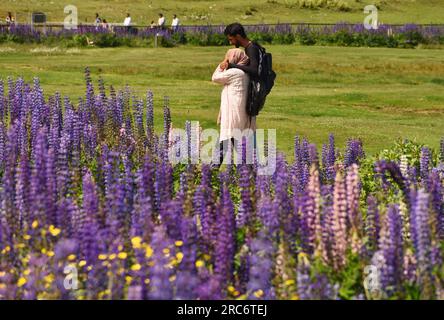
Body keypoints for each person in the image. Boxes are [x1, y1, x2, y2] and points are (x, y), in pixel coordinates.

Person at [212, 48, 256, 166]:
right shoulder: (245, 73)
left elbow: (215, 77)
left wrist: (221, 65)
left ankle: (211, 171)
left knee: (227, 140)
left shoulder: (236, 72)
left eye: (228, 57)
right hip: (239, 113)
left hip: (232, 113)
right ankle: (248, 173)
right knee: (236, 142)